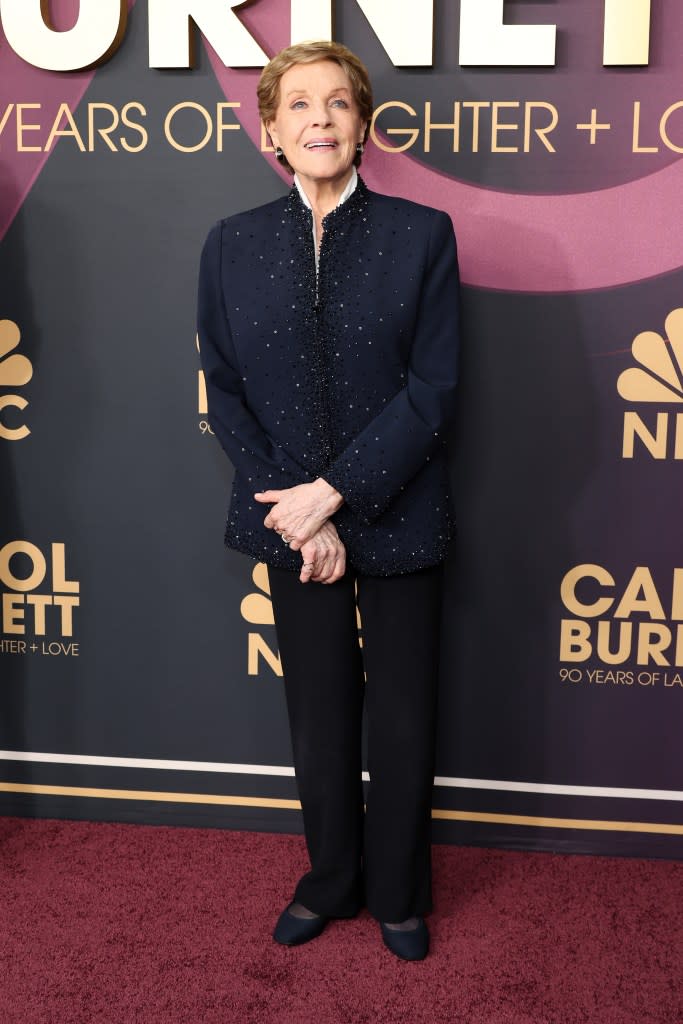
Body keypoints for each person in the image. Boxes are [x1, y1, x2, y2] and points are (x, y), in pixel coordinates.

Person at [197, 40, 460, 961]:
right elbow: (223, 389)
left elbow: (431, 387)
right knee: (315, 709)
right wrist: (296, 509)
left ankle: (395, 890)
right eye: (298, 104)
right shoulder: (230, 243)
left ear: (364, 126)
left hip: (395, 505)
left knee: (399, 710)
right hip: (285, 516)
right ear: (269, 128)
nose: (318, 118)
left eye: (338, 103)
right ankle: (329, 879)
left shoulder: (420, 233)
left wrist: (335, 496)